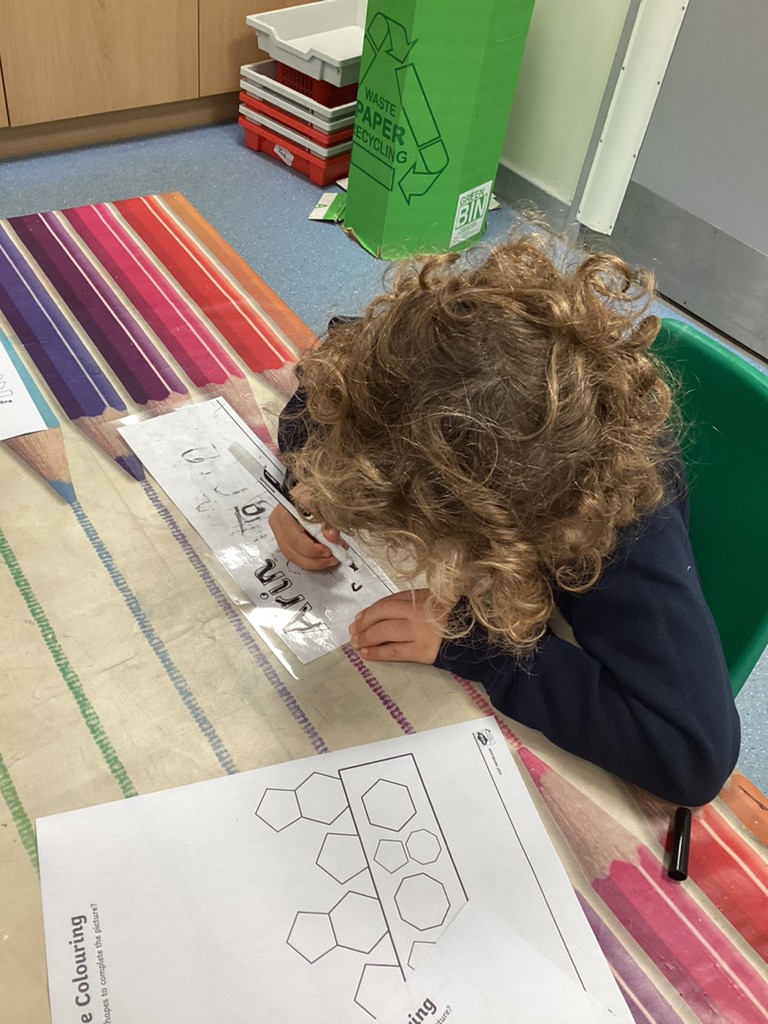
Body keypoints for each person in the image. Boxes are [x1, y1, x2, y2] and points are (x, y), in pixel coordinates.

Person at [269, 228, 740, 806]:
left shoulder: (614, 518)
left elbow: (691, 758)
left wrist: (473, 644)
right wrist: (309, 481)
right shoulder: (430, 352)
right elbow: (329, 383)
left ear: (502, 535)